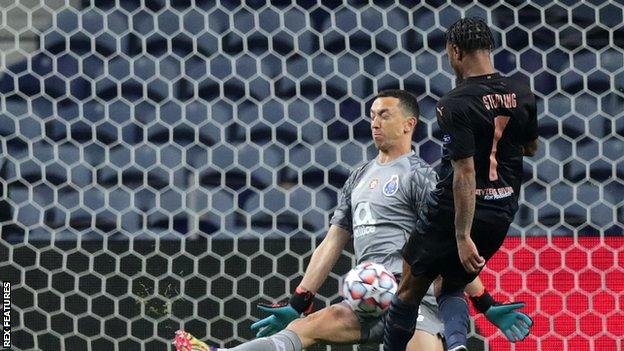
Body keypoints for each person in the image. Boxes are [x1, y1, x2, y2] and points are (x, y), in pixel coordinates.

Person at [175, 90, 528, 351]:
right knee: (305, 326)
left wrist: (485, 302)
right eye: (373, 114)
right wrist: (300, 299)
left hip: (414, 300)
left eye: (385, 115)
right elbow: (332, 241)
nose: (375, 122)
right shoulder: (358, 177)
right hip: (365, 302)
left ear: (409, 124)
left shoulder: (421, 176)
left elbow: (449, 246)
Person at [383, 18, 538, 351]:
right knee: (451, 284)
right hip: (501, 211)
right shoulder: (522, 92)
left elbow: (464, 173)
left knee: (409, 288)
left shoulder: (453, 103)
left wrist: (461, 234)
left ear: (455, 51)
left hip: (456, 212)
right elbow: (530, 146)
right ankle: (456, 345)